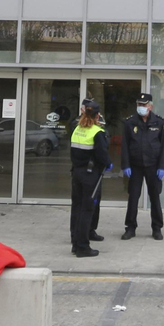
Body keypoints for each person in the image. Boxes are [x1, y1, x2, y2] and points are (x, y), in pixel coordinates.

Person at [121, 92, 164, 241]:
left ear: (150, 106)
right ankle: (130, 227)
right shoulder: (130, 122)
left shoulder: (159, 123)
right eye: (139, 105)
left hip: (153, 166)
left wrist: (162, 166)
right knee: (133, 197)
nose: (141, 107)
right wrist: (126, 165)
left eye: (143, 105)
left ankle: (157, 228)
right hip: (135, 166)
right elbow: (125, 146)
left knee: (154, 197)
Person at [68, 98, 110, 257]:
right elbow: (102, 155)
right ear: (98, 116)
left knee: (77, 209)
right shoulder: (97, 132)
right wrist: (108, 163)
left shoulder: (77, 129)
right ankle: (83, 247)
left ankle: (75, 243)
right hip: (90, 175)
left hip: (77, 173)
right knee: (87, 210)